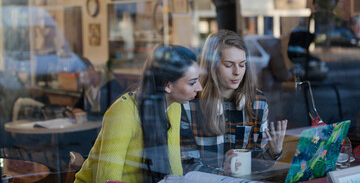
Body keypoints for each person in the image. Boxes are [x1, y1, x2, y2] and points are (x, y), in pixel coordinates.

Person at [74, 44, 202, 183]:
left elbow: (174, 164)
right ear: (168, 85)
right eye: (192, 83)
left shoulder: (175, 106)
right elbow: (108, 179)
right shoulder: (124, 111)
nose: (199, 87)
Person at [180, 30, 287, 176]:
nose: (237, 72)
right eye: (229, 65)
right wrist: (221, 173)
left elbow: (256, 164)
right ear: (212, 66)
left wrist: (274, 152)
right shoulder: (189, 104)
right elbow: (187, 166)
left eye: (242, 65)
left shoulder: (258, 103)